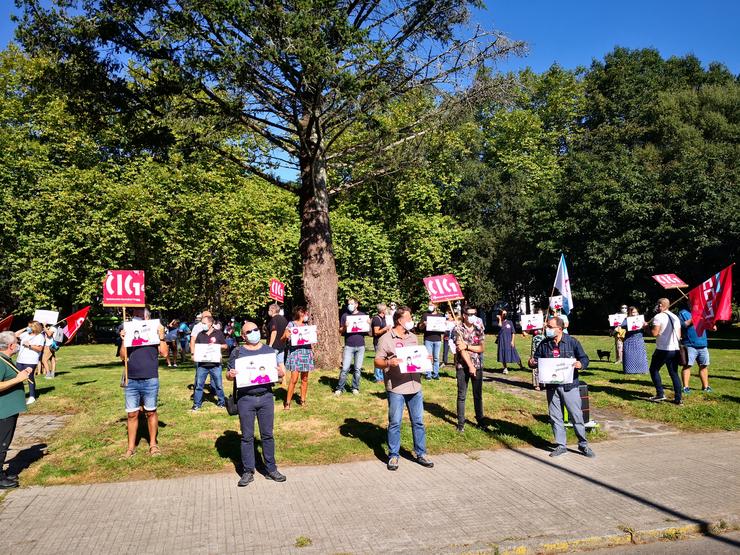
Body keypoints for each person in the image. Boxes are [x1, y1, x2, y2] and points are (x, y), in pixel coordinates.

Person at [226, 322, 287, 487]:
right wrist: (230, 375)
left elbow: (279, 375)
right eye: (249, 332)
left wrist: (281, 373)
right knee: (246, 436)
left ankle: (271, 468)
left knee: (267, 435)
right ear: (243, 336)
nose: (253, 333)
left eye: (256, 330)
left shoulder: (268, 350)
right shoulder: (237, 352)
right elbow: (228, 375)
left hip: (266, 397)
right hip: (245, 398)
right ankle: (248, 471)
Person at [374, 306, 434, 471]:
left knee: (418, 422)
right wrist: (388, 363)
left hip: (415, 386)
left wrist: (426, 358)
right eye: (409, 318)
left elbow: (416, 358)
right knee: (395, 423)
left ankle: (421, 453)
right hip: (397, 388)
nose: (411, 320)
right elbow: (376, 361)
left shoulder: (413, 337)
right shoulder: (386, 339)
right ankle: (393, 455)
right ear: (400, 320)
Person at [529, 317, 595, 458]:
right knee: (555, 416)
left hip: (570, 386)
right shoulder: (544, 344)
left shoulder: (572, 342)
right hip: (552, 387)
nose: (547, 329)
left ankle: (583, 444)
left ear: (560, 328)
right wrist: (532, 362)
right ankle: (561, 445)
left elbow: (585, 358)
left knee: (576, 416)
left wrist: (580, 364)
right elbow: (535, 360)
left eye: (550, 326)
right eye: (547, 326)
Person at [120, 307, 168, 458]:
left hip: (150, 378)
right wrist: (123, 340)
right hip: (132, 379)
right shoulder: (128, 332)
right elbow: (122, 357)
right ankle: (130, 448)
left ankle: (153, 444)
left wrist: (161, 336)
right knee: (132, 414)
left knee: (151, 412)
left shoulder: (154, 331)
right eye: (134, 315)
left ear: (147, 318)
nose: (136, 318)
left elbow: (165, 353)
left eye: (139, 315)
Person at [0, 331, 32, 489]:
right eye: (17, 342)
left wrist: (22, 374)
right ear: (11, 346)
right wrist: (17, 379)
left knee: (4, 443)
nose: (18, 344)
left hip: (8, 410)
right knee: (2, 444)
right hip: (3, 411)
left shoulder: (5, 359)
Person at [452, 306, 486, 432]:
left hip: (478, 365)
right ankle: (461, 424)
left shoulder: (479, 328)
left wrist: (467, 346)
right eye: (470, 314)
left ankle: (480, 420)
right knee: (462, 395)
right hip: (462, 366)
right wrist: (470, 365)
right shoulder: (457, 329)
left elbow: (482, 348)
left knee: (478, 395)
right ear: (464, 315)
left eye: (474, 314)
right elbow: (460, 350)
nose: (472, 316)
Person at [646, 298, 682, 404]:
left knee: (653, 369)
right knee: (674, 373)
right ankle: (678, 399)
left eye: (658, 305)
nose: (656, 307)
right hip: (675, 349)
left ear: (661, 305)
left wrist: (646, 327)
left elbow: (654, 333)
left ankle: (660, 394)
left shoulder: (658, 317)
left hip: (663, 349)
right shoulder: (675, 317)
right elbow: (679, 334)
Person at [191, 315, 228, 411]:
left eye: (204, 323)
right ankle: (197, 404)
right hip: (202, 365)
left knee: (218, 385)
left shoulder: (218, 333)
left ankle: (221, 403)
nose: (202, 325)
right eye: (201, 323)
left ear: (210, 323)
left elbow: (225, 346)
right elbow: (197, 348)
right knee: (199, 385)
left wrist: (218, 347)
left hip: (215, 365)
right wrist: (194, 355)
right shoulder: (200, 334)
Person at [335, 298, 370, 396]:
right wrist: (345, 326)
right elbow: (340, 331)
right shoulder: (345, 316)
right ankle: (339, 388)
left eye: (351, 303)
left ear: (356, 305)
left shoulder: (363, 316)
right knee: (345, 368)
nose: (349, 305)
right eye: (348, 304)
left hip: (360, 346)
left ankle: (355, 388)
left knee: (357, 369)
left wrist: (369, 324)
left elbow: (370, 333)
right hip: (348, 346)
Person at [282, 306, 314, 409]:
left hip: (306, 352)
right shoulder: (291, 324)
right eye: (305, 313)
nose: (307, 315)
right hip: (295, 354)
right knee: (294, 379)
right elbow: (282, 338)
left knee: (305, 379)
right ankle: (287, 402)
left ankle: (303, 400)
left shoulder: (307, 325)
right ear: (301, 313)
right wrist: (286, 335)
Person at [679, 305, 714, 394]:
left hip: (702, 344)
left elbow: (707, 323)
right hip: (690, 344)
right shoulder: (683, 312)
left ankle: (705, 387)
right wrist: (692, 320)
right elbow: (681, 325)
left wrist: (711, 326)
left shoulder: (702, 312)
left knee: (704, 366)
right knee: (687, 366)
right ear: (688, 302)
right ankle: (686, 387)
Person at [15, 322, 45, 405]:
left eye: (30, 326)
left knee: (29, 378)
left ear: (35, 327)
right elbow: (15, 334)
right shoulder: (25, 334)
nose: (28, 328)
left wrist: (30, 345)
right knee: (18, 378)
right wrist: (25, 328)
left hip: (31, 361)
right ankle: (19, 395)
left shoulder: (40, 336)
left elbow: (40, 349)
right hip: (20, 360)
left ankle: (32, 396)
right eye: (28, 326)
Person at [419, 301, 443, 380]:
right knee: (428, 357)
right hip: (428, 339)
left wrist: (444, 325)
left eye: (431, 305)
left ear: (436, 306)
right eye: (429, 305)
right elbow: (420, 327)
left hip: (437, 339)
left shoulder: (440, 316)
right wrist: (423, 324)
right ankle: (428, 374)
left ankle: (436, 374)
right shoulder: (425, 315)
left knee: (436, 358)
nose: (430, 306)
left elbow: (443, 330)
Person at [621, 306, 648, 374]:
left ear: (637, 312)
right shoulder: (626, 319)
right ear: (629, 313)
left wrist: (645, 325)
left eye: (635, 312)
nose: (633, 314)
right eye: (632, 312)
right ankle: (629, 371)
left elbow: (645, 327)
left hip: (638, 340)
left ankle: (642, 370)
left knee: (640, 356)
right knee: (629, 356)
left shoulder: (641, 319)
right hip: (629, 340)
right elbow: (621, 325)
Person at [496, 309, 523, 374]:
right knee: (503, 354)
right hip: (502, 340)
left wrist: (512, 341)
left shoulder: (510, 322)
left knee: (514, 353)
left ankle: (521, 366)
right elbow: (499, 326)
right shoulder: (499, 322)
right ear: (501, 314)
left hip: (509, 340)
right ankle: (505, 368)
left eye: (506, 313)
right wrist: (499, 319)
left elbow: (513, 332)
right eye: (504, 314)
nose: (505, 315)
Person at [371, 303, 391, 383]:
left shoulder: (384, 318)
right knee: (379, 359)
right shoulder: (376, 319)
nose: (387, 310)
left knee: (384, 359)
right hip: (378, 342)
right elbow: (376, 332)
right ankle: (378, 377)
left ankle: (382, 376)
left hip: (384, 342)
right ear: (382, 310)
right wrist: (385, 329)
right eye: (386, 309)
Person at [266, 303, 288, 370]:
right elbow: (286, 331)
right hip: (282, 345)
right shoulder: (284, 319)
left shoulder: (273, 319)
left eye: (269, 310)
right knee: (281, 363)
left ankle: (273, 378)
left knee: (271, 363)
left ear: (272, 310)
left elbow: (274, 332)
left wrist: (270, 345)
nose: (268, 312)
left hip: (274, 346)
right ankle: (284, 380)